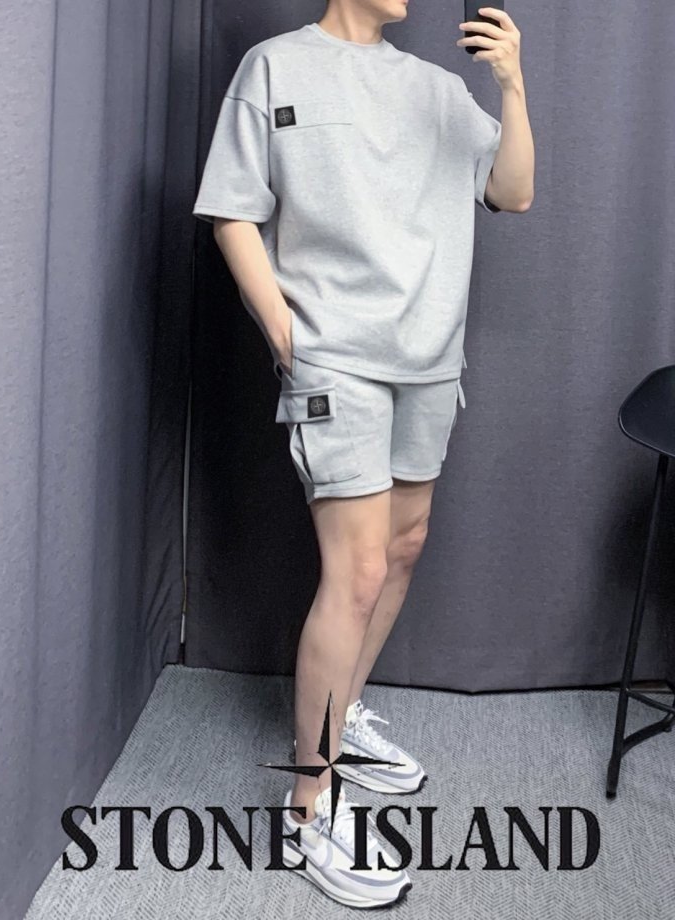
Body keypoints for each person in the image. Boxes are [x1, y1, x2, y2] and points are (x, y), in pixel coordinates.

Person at [193, 0, 533, 908]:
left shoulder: (435, 89)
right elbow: (232, 212)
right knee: (358, 571)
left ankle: (341, 721)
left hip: (430, 359)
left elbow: (512, 191)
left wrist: (511, 86)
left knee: (406, 547)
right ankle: (310, 808)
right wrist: (286, 332)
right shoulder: (275, 67)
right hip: (335, 360)